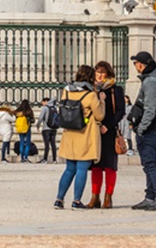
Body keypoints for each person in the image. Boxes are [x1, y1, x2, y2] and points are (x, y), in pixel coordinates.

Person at [54, 64, 104, 210]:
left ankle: (59, 199)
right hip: (85, 134)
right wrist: (102, 101)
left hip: (70, 133)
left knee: (69, 168)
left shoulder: (66, 91)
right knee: (82, 168)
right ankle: (76, 201)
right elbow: (100, 115)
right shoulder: (90, 95)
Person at [129, 51, 156, 211]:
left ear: (142, 64)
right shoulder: (152, 79)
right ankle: (150, 196)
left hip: (150, 129)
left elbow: (150, 109)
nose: (135, 67)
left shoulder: (151, 82)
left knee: (151, 164)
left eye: (136, 63)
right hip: (152, 127)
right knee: (148, 164)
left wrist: (141, 128)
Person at [89, 61, 126, 209]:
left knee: (110, 166)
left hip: (109, 132)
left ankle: (108, 197)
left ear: (108, 74)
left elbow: (120, 111)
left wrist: (107, 125)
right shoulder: (92, 89)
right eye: (97, 73)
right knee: (96, 166)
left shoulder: (115, 90)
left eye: (102, 73)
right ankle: (94, 196)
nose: (99, 76)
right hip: (95, 131)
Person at [38, 96, 59, 164]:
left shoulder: (45, 108)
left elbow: (41, 118)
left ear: (46, 101)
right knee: (53, 144)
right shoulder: (55, 108)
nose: (42, 103)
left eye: (43, 101)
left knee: (47, 145)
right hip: (54, 128)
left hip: (46, 128)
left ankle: (45, 159)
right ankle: (54, 159)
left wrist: (38, 125)